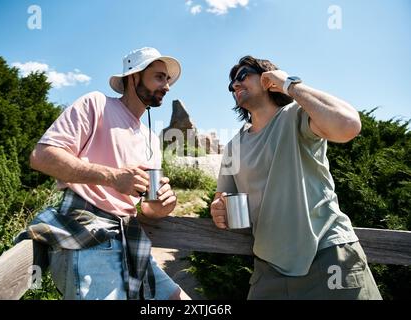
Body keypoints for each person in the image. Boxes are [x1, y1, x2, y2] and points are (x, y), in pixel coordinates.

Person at [210, 55, 382, 300]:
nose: (235, 85)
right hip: (267, 269)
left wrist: (289, 84)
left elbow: (348, 125)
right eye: (231, 83)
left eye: (243, 75)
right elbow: (222, 199)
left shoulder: (296, 115)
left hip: (329, 257)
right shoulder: (233, 146)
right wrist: (219, 209)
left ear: (268, 78)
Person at [28, 47, 190, 300]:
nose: (167, 86)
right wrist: (112, 177)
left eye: (167, 80)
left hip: (129, 238)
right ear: (133, 77)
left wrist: (161, 206)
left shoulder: (150, 138)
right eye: (159, 77)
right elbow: (42, 156)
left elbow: (143, 207)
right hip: (87, 235)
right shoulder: (96, 103)